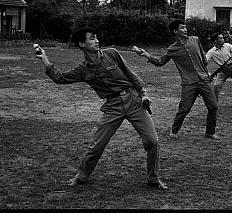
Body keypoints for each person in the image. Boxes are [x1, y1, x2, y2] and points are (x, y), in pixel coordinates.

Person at [35, 27, 167, 189]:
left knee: (152, 141)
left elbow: (131, 74)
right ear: (82, 44)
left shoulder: (112, 53)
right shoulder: (82, 69)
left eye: (96, 37)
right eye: (92, 38)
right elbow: (60, 78)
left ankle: (153, 179)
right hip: (112, 107)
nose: (97, 40)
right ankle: (82, 176)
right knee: (97, 145)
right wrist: (45, 60)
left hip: (134, 101)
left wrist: (144, 93)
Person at [135, 19, 220, 140]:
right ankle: (174, 130)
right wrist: (146, 55)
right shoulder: (172, 49)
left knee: (213, 106)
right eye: (182, 28)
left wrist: (207, 74)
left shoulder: (195, 40)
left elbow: (204, 60)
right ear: (175, 31)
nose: (185, 30)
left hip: (203, 80)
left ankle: (210, 132)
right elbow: (160, 62)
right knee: (185, 108)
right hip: (189, 83)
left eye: (185, 27)